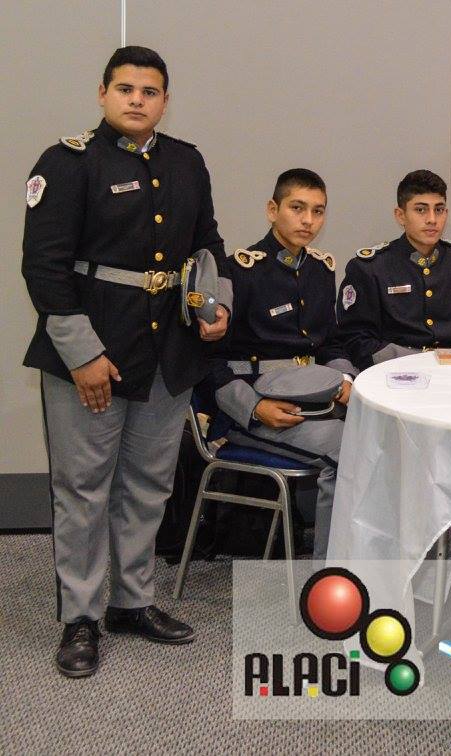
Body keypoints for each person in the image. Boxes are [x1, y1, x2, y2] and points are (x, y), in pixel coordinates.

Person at [22, 46, 230, 678]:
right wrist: (82, 353)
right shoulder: (67, 163)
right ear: (102, 94)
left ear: (165, 100)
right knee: (83, 490)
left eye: (150, 91)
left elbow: (207, 244)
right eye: (125, 89)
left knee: (147, 485)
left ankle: (132, 601)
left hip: (168, 352)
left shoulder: (187, 161)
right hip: (93, 354)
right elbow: (44, 267)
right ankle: (80, 617)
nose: (137, 99)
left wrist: (215, 304)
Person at [203, 169, 353, 559]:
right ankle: (329, 575)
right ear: (273, 210)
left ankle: (369, 563)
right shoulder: (239, 271)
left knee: (383, 439)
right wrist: (254, 408)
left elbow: (331, 342)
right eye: (297, 208)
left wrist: (346, 380)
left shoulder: (321, 269)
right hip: (259, 413)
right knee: (352, 451)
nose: (308, 220)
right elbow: (210, 360)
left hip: (317, 402)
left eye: (318, 211)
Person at [336, 169, 451, 368]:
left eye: (439, 210)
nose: (432, 219)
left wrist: (450, 362)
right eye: (421, 210)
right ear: (400, 215)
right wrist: (418, 362)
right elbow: (356, 339)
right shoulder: (369, 268)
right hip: (393, 373)